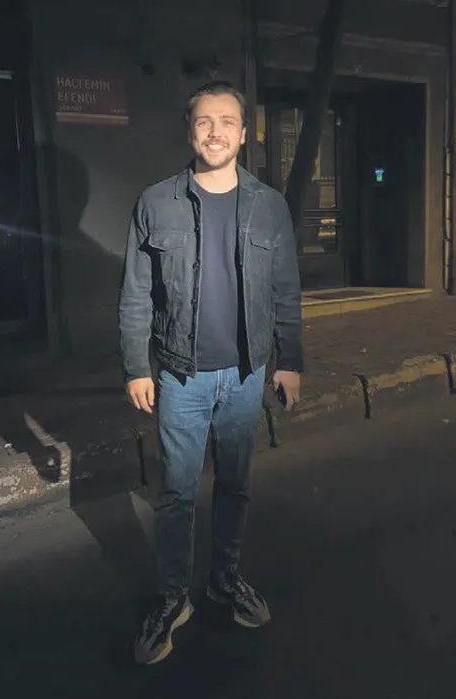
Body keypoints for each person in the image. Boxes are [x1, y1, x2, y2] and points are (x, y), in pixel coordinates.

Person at [119, 81, 303, 665]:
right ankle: (173, 597)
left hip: (247, 373)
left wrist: (290, 360)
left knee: (235, 485)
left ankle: (224, 580)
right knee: (176, 492)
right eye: (204, 121)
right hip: (180, 375)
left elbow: (285, 289)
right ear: (190, 131)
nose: (215, 131)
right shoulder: (156, 202)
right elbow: (135, 294)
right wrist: (136, 366)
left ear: (245, 134)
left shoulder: (270, 205)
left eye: (227, 121)